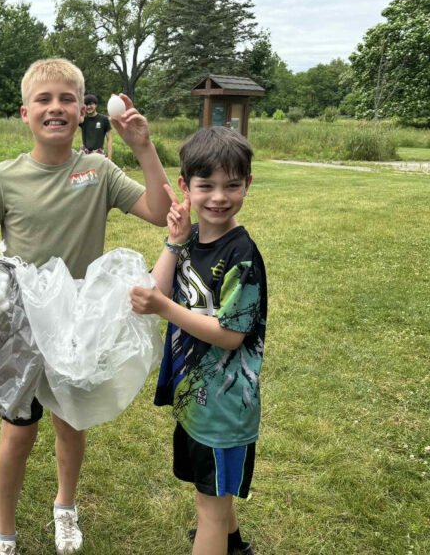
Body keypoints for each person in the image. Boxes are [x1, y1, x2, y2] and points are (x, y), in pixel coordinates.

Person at [0, 58, 171, 555]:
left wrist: (143, 146)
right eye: (44, 99)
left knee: (70, 424)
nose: (55, 108)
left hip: (80, 326)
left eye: (66, 99)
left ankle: (65, 508)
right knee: (17, 436)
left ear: (83, 112)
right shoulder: (4, 177)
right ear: (24, 112)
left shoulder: (98, 171)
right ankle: (3, 531)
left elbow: (161, 213)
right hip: (22, 326)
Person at [129, 126, 267, 555]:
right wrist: (174, 240)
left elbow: (230, 336)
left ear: (248, 183)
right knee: (211, 491)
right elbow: (158, 287)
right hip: (196, 398)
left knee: (209, 506)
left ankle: (219, 540)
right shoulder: (193, 240)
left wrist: (164, 309)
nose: (219, 197)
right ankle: (234, 544)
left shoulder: (241, 256)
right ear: (186, 187)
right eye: (206, 185)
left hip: (224, 408)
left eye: (233, 185)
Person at [79, 94, 113, 160]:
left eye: (91, 104)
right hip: (85, 152)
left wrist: (109, 157)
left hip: (99, 153)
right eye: (86, 104)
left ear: (96, 105)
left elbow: (109, 139)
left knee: (99, 170)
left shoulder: (104, 119)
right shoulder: (83, 120)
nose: (88, 106)